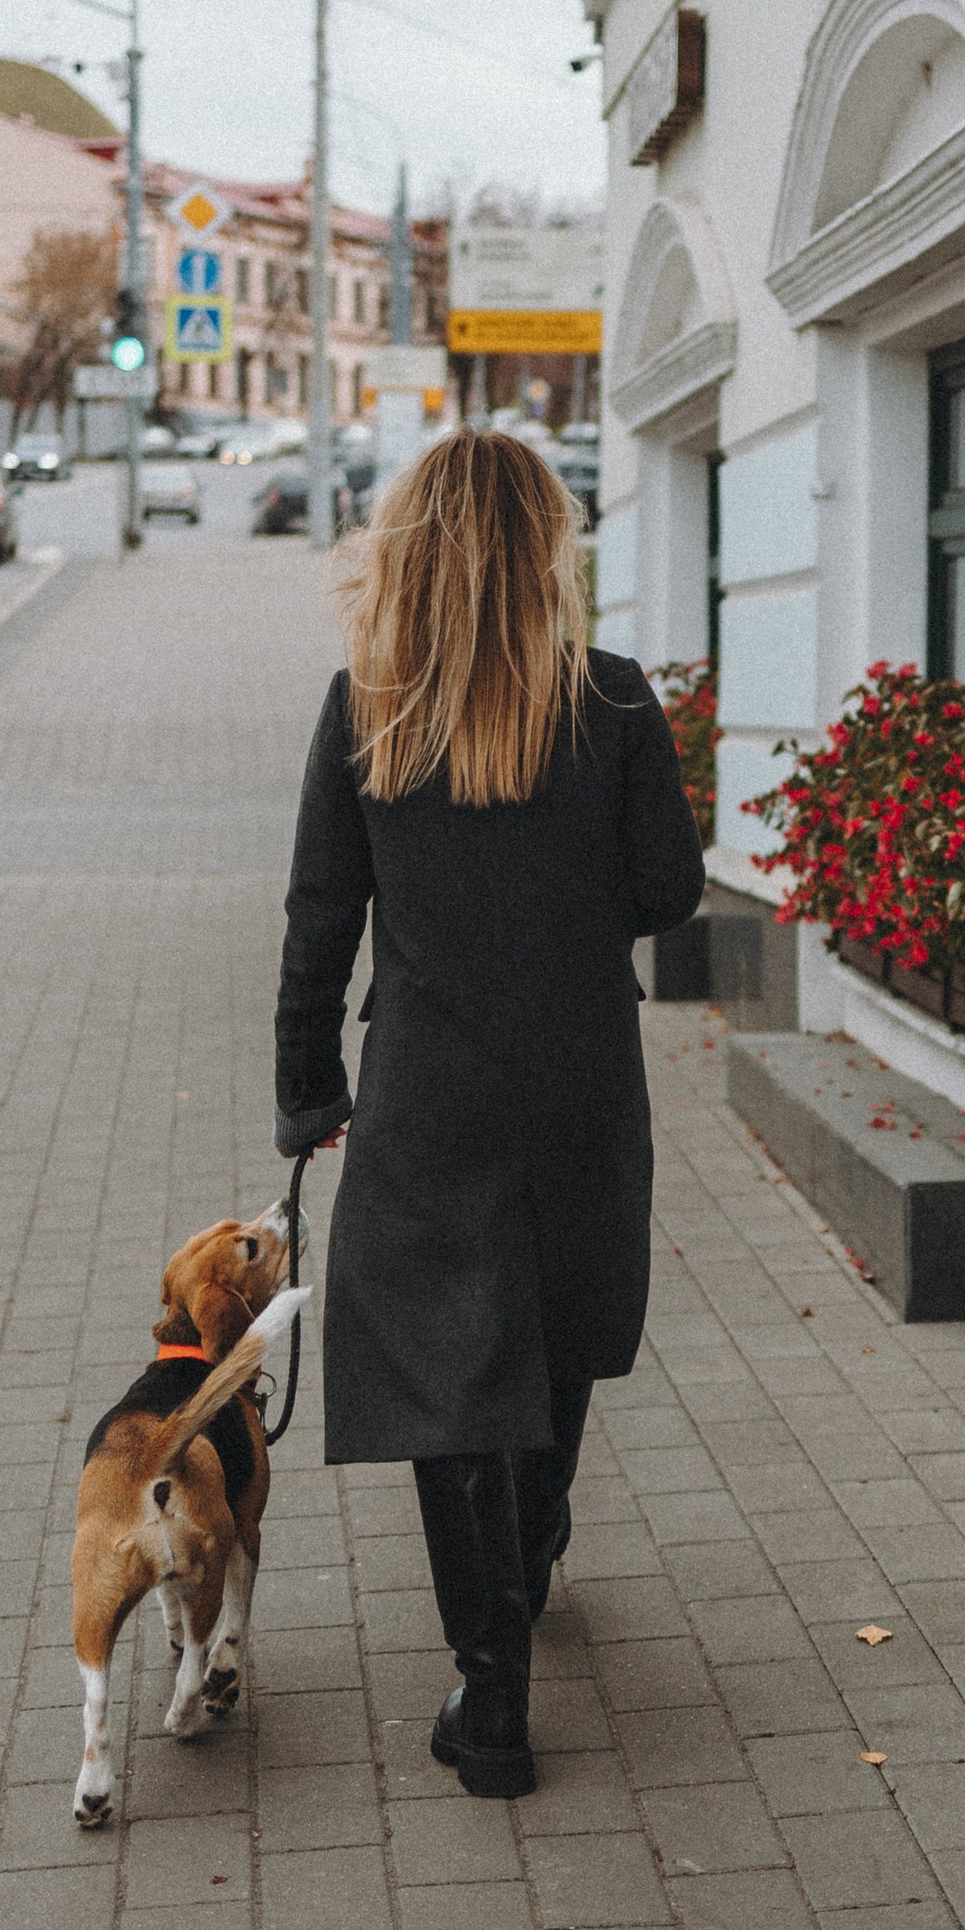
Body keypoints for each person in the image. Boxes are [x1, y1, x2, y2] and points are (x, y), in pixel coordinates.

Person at [275, 430, 707, 1796]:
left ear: (408, 550)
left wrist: (306, 1093)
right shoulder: (617, 704)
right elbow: (669, 894)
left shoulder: (370, 710)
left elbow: (318, 919)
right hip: (577, 1073)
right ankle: (529, 1557)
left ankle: (493, 1687)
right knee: (555, 1317)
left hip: (427, 1087)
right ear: (547, 553)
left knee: (449, 1365)